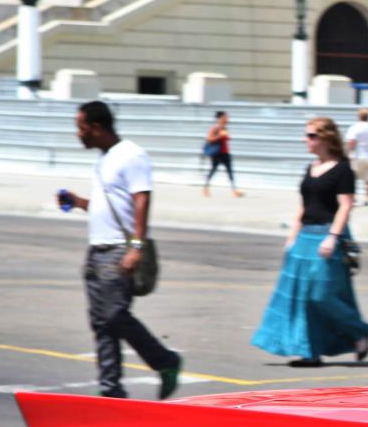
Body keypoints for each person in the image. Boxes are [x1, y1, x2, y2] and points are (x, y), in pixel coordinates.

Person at [57, 101, 183, 400]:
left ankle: (165, 361)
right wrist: (78, 203)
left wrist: (136, 247)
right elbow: (109, 205)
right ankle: (111, 389)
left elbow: (142, 200)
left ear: (97, 128)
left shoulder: (131, 155)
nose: (78, 135)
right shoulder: (103, 160)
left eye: (81, 128)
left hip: (118, 250)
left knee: (114, 315)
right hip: (96, 251)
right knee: (101, 322)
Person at [251, 116, 368, 366]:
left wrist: (332, 237)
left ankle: (359, 332)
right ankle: (309, 352)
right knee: (301, 297)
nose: (305, 140)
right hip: (304, 237)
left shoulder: (342, 169)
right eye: (306, 135)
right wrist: (291, 238)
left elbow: (345, 206)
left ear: (326, 139)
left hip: (327, 236)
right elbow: (304, 205)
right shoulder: (310, 167)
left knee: (321, 295)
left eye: (311, 135)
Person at [345, 107, 368, 207]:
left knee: (352, 179)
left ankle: (353, 198)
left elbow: (351, 142)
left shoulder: (354, 128)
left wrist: (347, 154)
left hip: (357, 156)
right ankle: (367, 199)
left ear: (358, 116)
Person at [202, 111, 241, 197]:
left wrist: (226, 137)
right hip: (217, 153)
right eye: (226, 117)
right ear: (220, 118)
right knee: (213, 170)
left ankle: (235, 190)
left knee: (230, 171)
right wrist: (220, 136)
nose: (227, 119)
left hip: (225, 153)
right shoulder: (214, 128)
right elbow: (210, 139)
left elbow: (225, 138)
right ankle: (205, 188)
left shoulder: (224, 128)